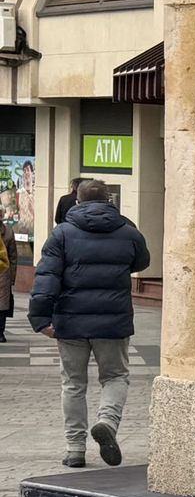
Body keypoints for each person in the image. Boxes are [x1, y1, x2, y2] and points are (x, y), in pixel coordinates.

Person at [29, 179, 150, 468]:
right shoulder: (127, 231)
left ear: (77, 202)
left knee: (72, 384)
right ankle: (107, 420)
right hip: (113, 321)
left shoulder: (62, 234)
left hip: (70, 323)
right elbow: (142, 262)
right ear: (109, 200)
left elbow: (46, 278)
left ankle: (75, 449)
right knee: (115, 376)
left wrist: (40, 318)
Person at [0, 219, 16, 342]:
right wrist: (12, 277)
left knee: (2, 304)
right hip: (3, 272)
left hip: (3, 273)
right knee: (2, 304)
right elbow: (13, 257)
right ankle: (0, 333)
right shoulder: (8, 232)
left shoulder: (9, 233)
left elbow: (13, 257)